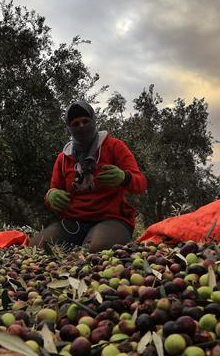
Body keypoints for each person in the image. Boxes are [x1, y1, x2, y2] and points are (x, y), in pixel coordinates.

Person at [32, 100, 147, 252]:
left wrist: (124, 177)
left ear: (93, 121)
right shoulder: (63, 158)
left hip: (112, 220)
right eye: (75, 123)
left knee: (95, 250)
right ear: (69, 128)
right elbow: (53, 193)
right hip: (74, 222)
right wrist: (51, 195)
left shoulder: (114, 147)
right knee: (36, 247)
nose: (81, 126)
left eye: (85, 121)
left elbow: (141, 184)